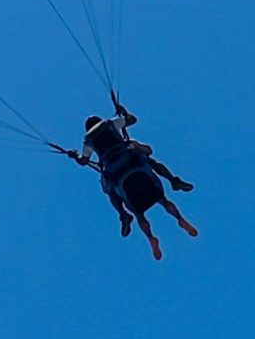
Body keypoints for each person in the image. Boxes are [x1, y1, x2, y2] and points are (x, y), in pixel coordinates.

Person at [70, 104, 198, 259]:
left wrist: (74, 156)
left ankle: (128, 218)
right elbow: (133, 120)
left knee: (114, 194)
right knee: (153, 168)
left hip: (114, 172)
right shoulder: (111, 123)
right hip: (131, 159)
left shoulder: (87, 141)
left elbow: (84, 161)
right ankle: (174, 184)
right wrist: (123, 112)